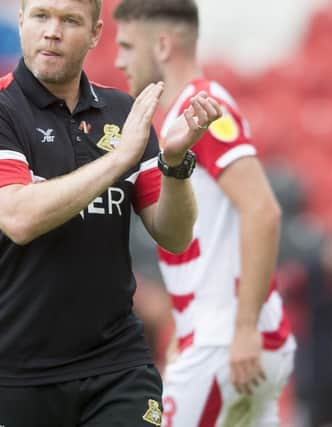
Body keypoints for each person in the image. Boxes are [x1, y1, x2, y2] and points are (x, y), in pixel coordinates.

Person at [0, 0, 222, 425]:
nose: (52, 31)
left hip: (116, 364)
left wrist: (174, 163)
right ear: (22, 22)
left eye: (70, 21)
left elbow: (175, 235)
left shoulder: (123, 114)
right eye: (41, 16)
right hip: (12, 368)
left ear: (97, 34)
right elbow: (18, 219)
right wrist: (118, 161)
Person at [113, 1, 296, 426]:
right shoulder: (191, 109)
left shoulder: (200, 109)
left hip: (226, 340)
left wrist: (243, 328)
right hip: (223, 335)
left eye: (126, 46)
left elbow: (262, 209)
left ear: (161, 45)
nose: (119, 60)